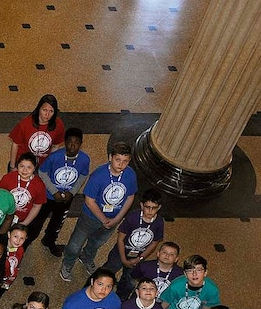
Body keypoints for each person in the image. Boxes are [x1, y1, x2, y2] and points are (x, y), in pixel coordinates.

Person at [60, 142, 138, 281]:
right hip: (90, 217)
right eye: (117, 160)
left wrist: (117, 219)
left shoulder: (130, 174)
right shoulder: (98, 175)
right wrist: (103, 219)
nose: (121, 164)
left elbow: (130, 197)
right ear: (110, 157)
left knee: (96, 243)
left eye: (125, 161)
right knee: (75, 244)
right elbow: (89, 201)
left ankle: (86, 258)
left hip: (113, 219)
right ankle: (67, 263)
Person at [28, 127, 89, 254]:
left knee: (57, 223)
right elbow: (42, 172)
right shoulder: (54, 157)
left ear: (81, 144)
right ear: (64, 142)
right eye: (70, 142)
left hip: (66, 198)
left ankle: (49, 241)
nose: (73, 145)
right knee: (37, 222)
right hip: (48, 196)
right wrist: (54, 191)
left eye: (76, 142)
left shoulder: (84, 159)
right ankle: (27, 241)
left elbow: (83, 175)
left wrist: (72, 192)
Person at [101, 189, 164, 296]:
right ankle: (90, 289)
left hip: (137, 256)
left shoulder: (159, 222)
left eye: (154, 208)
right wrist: (123, 259)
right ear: (141, 205)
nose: (150, 211)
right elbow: (120, 239)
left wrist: (140, 258)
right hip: (120, 251)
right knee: (107, 272)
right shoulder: (132, 217)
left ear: (159, 207)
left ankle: (120, 300)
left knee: (129, 283)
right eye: (147, 207)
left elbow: (154, 242)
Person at [7, 94, 65, 170]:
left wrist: (50, 164)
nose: (47, 114)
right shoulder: (25, 124)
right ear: (39, 109)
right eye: (44, 110)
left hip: (42, 165)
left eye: (51, 111)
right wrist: (12, 166)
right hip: (24, 163)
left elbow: (55, 146)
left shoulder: (58, 125)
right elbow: (15, 144)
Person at [0, 154, 46, 230]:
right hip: (4, 216)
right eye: (21, 166)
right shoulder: (8, 178)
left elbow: (36, 206)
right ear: (17, 165)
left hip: (23, 219)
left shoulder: (39, 185)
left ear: (34, 168)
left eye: (29, 167)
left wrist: (25, 223)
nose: (24, 170)